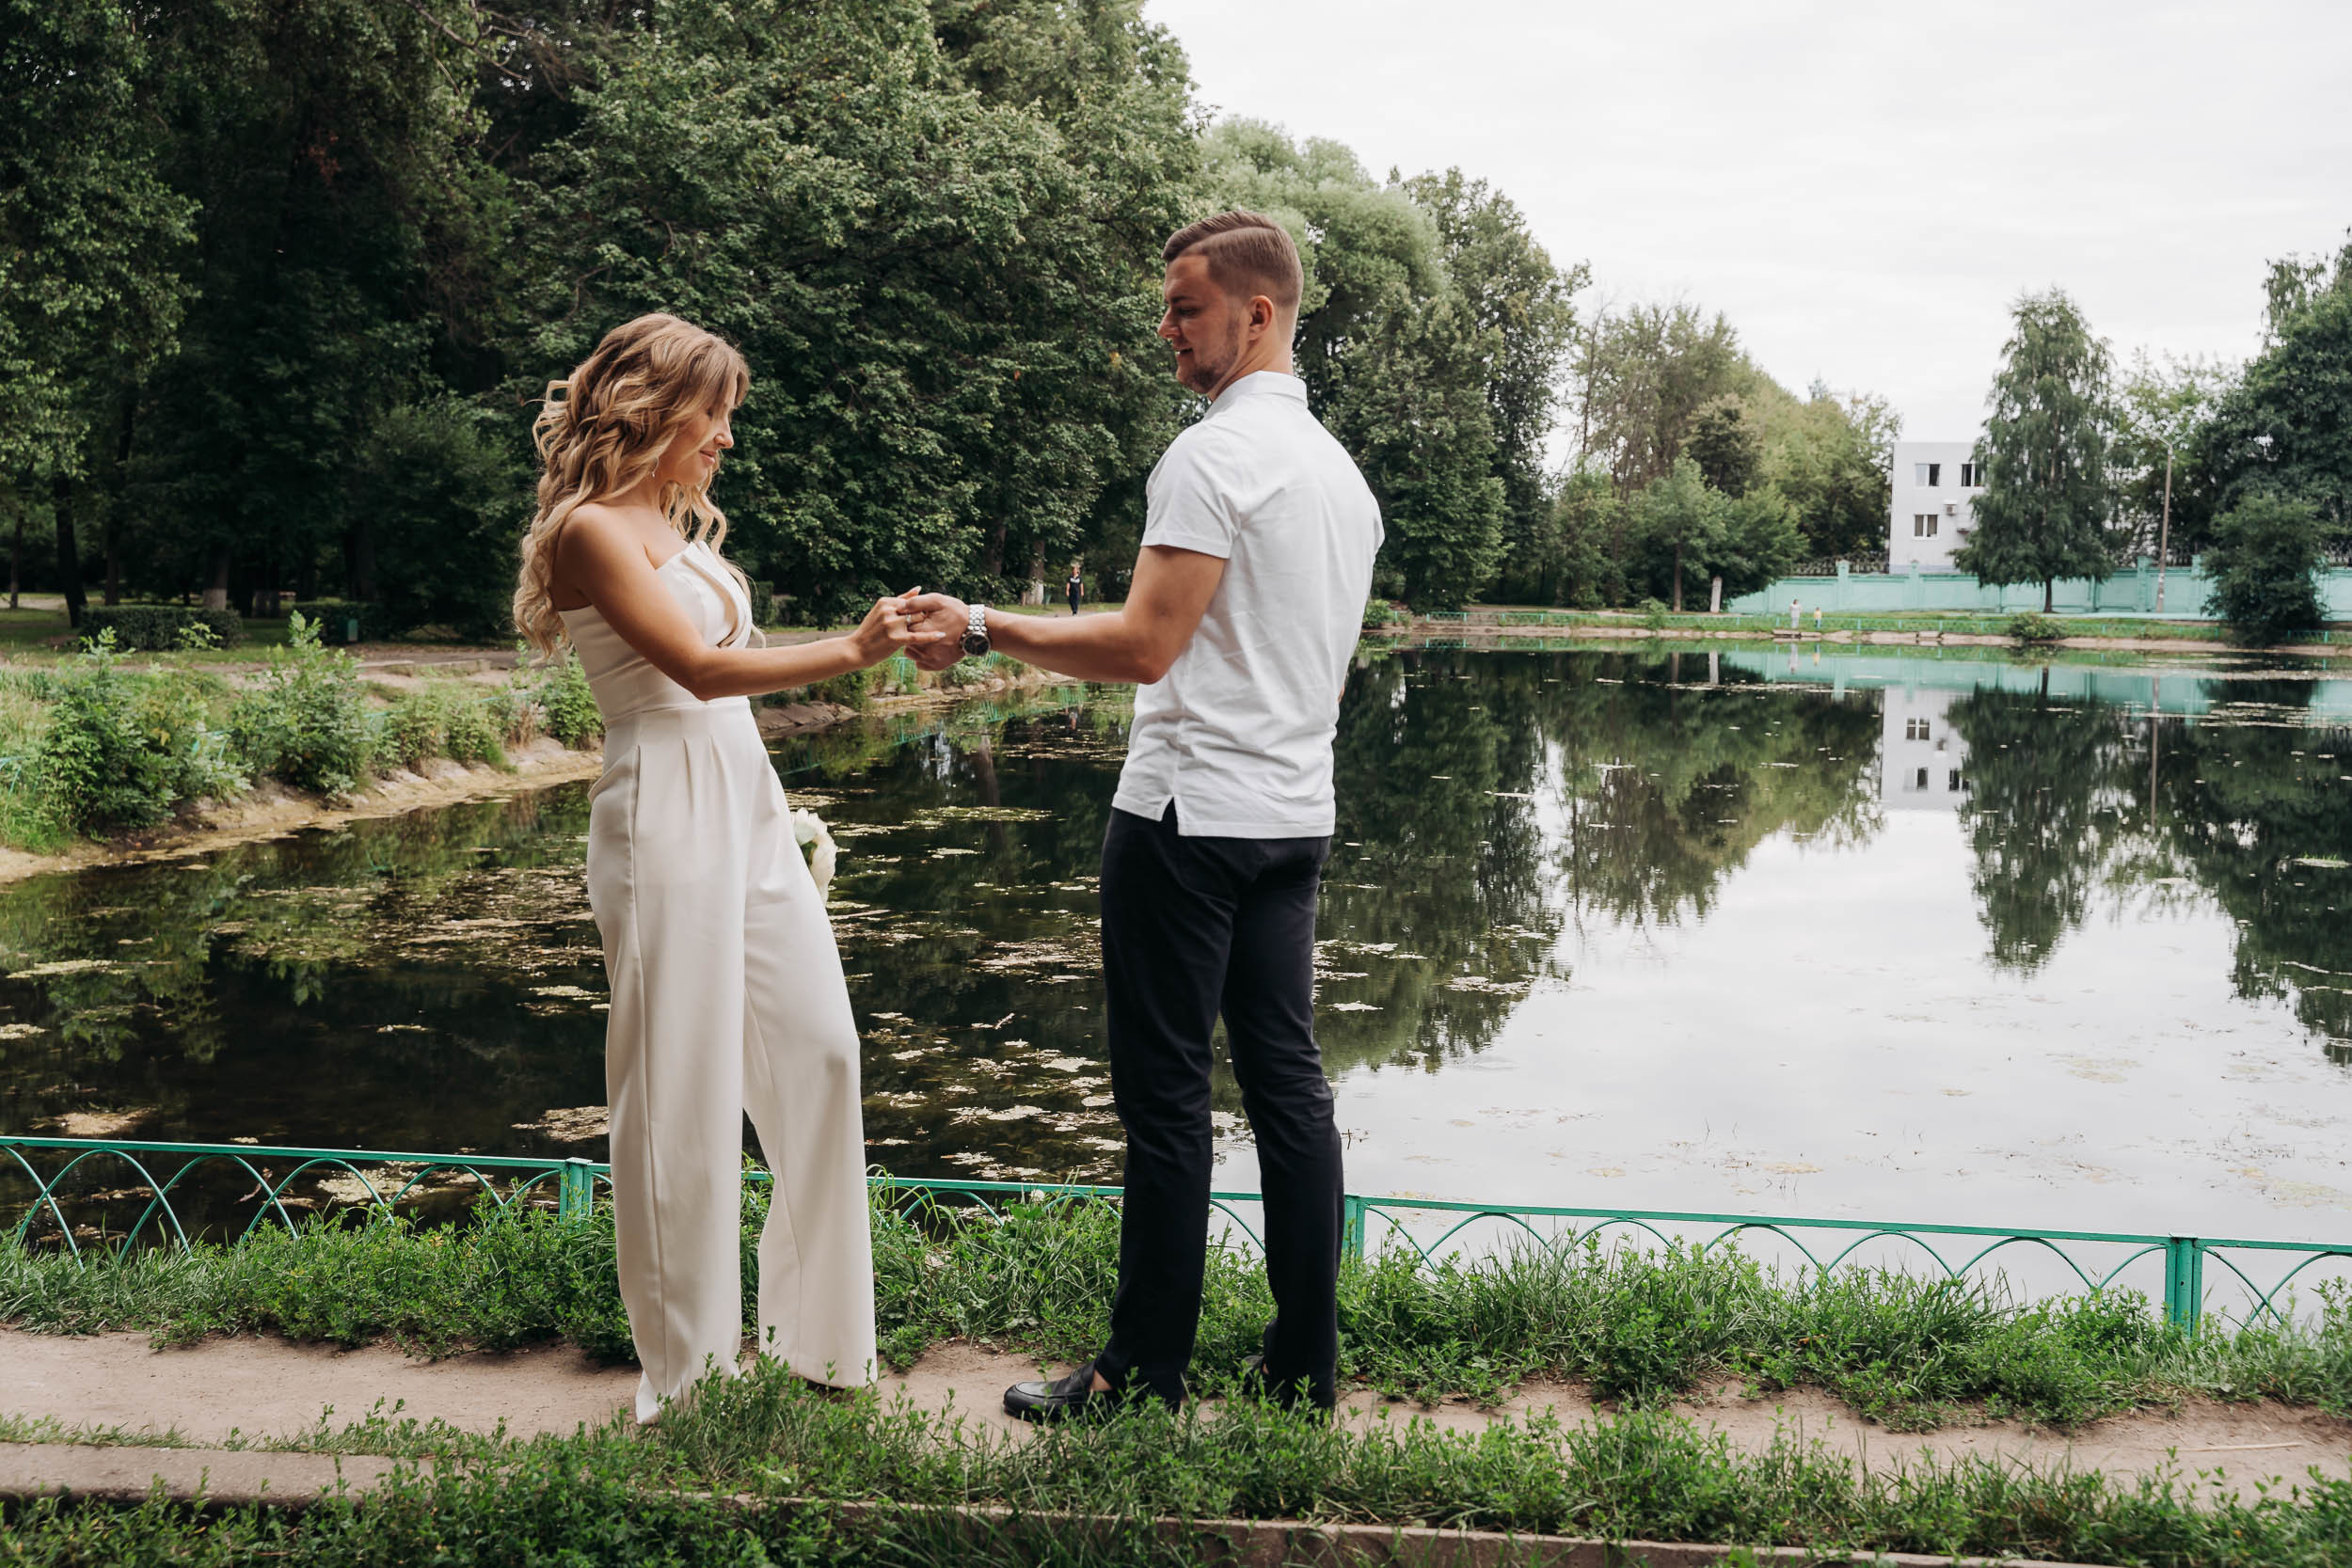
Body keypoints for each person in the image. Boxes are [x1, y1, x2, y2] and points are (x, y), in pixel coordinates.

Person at [908, 211, 1382, 1419]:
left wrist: (980, 624)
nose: (1165, 329)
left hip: (1185, 818)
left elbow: (1142, 644)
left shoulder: (1212, 456)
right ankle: (1302, 1365)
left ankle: (1141, 1373)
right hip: (1291, 817)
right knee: (1290, 1090)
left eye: (1184, 307)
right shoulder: (1341, 477)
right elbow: (1322, 673)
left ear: (1256, 314)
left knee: (1166, 1099)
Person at [512, 312, 942, 1424]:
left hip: (744, 800)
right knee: (677, 1093)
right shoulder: (592, 530)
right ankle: (686, 1373)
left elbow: (725, 668)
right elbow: (702, 670)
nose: (728, 441)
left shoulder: (670, 525)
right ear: (656, 407)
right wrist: (853, 649)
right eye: (719, 415)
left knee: (822, 1049)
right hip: (661, 810)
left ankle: (816, 1337)